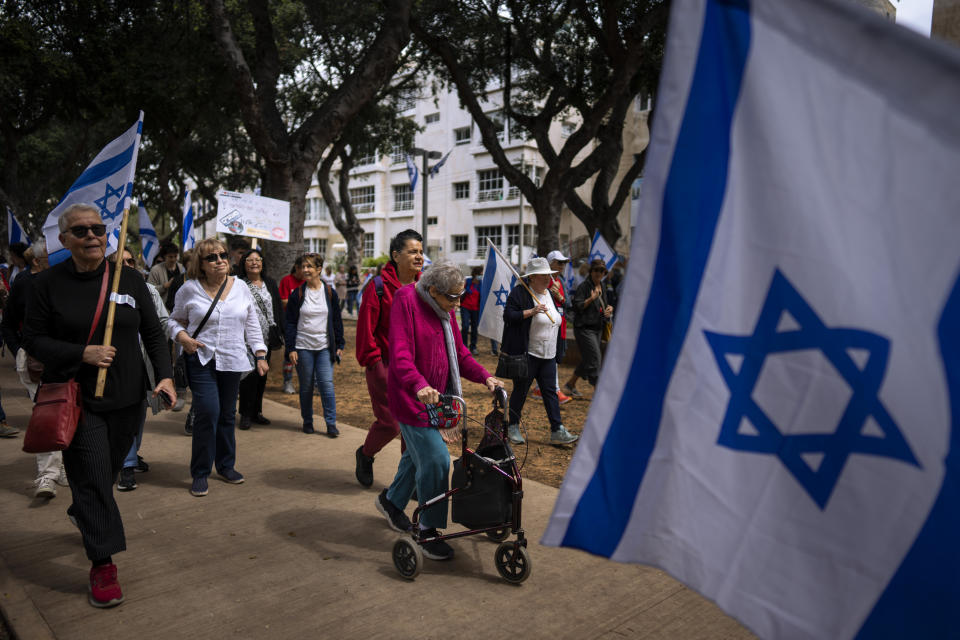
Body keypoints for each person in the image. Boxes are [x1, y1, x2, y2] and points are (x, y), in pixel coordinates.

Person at [22, 203, 175, 608]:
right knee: (90, 476)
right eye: (81, 231)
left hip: (128, 400)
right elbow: (33, 340)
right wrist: (82, 353)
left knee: (102, 475)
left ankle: (86, 511)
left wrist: (165, 376)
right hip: (79, 399)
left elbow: (154, 333)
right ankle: (103, 563)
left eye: (98, 229)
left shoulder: (130, 280)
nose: (92, 236)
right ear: (64, 239)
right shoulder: (47, 285)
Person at [375, 261, 503, 560]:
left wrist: (486, 376)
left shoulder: (445, 311)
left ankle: (392, 502)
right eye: (453, 297)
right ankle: (428, 530)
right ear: (432, 291)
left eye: (461, 296)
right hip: (412, 399)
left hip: (440, 400)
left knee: (416, 456)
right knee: (435, 458)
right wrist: (419, 385)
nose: (458, 303)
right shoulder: (406, 301)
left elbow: (459, 352)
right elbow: (401, 353)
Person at [169, 238, 268, 497]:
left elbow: (252, 322)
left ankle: (226, 466)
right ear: (200, 264)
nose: (220, 260)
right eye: (212, 257)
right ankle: (200, 473)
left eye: (223, 255)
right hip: (201, 359)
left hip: (233, 359)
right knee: (208, 413)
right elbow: (173, 321)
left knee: (226, 414)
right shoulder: (188, 289)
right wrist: (183, 338)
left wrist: (259, 353)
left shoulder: (241, 288)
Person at [354, 229, 423, 488]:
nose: (419, 256)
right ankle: (365, 454)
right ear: (396, 255)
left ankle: (408, 481)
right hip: (384, 365)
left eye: (420, 251)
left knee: (413, 427)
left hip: (416, 369)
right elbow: (365, 329)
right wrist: (374, 361)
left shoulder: (424, 285)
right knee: (391, 424)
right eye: (412, 251)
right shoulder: (378, 286)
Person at [501, 257, 579, 446]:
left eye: (549, 275)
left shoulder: (550, 294)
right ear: (532, 277)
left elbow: (558, 317)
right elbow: (509, 316)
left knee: (550, 392)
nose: (548, 279)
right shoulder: (520, 293)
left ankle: (557, 429)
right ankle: (512, 426)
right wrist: (531, 311)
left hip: (549, 354)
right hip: (528, 353)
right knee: (520, 391)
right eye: (543, 275)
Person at [117, 248, 167, 492]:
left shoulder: (148, 290)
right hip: (115, 365)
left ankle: (131, 455)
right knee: (123, 415)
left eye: (130, 261)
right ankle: (125, 466)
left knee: (138, 414)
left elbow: (162, 323)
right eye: (120, 261)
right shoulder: (105, 289)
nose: (127, 265)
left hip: (143, 365)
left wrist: (181, 334)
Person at [285, 253, 344, 437]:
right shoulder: (298, 294)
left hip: (325, 347)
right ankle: (307, 421)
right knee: (306, 386)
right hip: (303, 347)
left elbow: (336, 319)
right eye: (303, 267)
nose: (305, 270)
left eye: (309, 266)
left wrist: (340, 343)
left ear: (319, 269)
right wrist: (291, 348)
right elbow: (290, 323)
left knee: (326, 385)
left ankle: (331, 423)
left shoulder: (329, 292)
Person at [236, 247, 285, 430]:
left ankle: (257, 412)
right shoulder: (239, 283)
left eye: (258, 259)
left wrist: (281, 330)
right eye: (250, 260)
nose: (255, 262)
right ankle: (245, 414)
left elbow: (277, 307)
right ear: (244, 264)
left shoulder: (270, 283)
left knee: (262, 377)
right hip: (246, 339)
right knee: (249, 378)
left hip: (266, 339)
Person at [564, 259, 614, 396]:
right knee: (595, 359)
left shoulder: (602, 286)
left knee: (588, 358)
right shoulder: (584, 287)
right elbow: (577, 306)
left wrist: (609, 309)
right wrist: (591, 299)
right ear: (591, 271)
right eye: (596, 270)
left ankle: (570, 384)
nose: (599, 273)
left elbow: (607, 304)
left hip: (598, 328)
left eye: (602, 271)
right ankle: (598, 391)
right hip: (584, 329)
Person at [278, 256, 305, 395]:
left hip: (306, 324)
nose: (305, 271)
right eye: (303, 268)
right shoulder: (287, 281)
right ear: (296, 267)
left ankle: (308, 383)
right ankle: (287, 381)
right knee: (289, 353)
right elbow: (283, 301)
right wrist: (299, 303)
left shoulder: (308, 282)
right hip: (290, 323)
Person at [146, 243, 184, 311]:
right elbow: (149, 291)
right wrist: (164, 286)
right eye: (170, 257)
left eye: (175, 256)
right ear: (164, 256)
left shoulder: (182, 268)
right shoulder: (155, 270)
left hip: (180, 308)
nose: (173, 259)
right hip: (163, 309)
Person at [460, 266, 482, 355]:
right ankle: (464, 347)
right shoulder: (468, 281)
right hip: (465, 307)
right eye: (480, 274)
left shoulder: (482, 283)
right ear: (475, 274)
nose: (481, 276)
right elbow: (461, 291)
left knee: (474, 328)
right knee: (465, 326)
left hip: (476, 309)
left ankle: (473, 347)